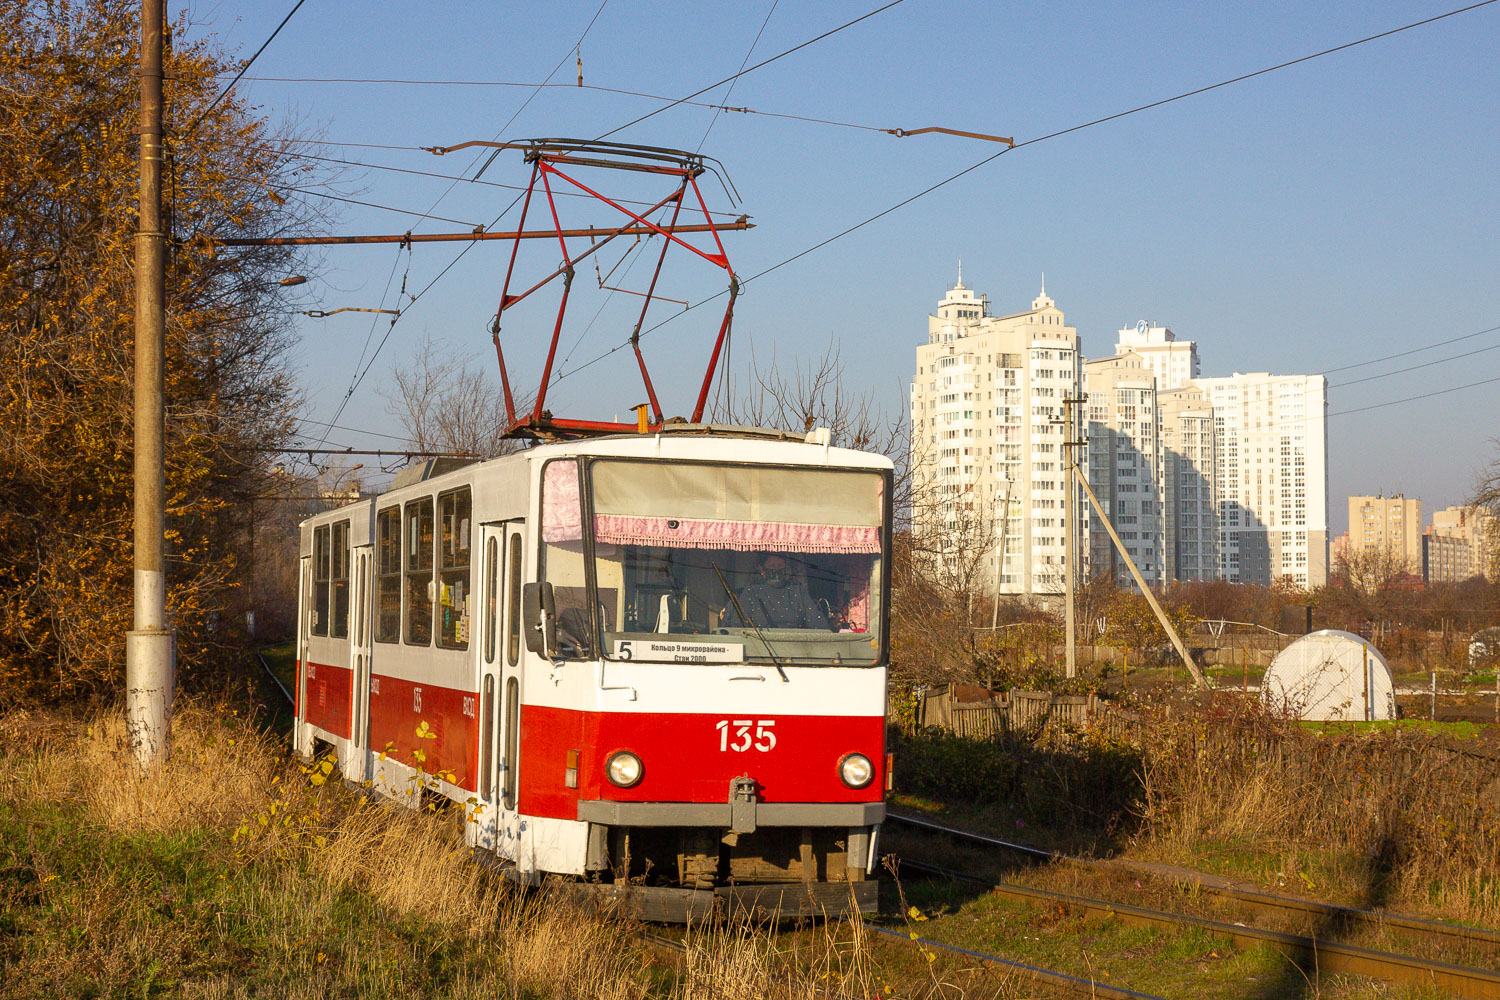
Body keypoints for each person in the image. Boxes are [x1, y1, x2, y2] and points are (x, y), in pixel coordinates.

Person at [730, 554, 829, 630]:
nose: (776, 570)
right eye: (772, 566)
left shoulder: (798, 591)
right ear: (762, 570)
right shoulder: (751, 592)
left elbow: (817, 622)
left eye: (780, 566)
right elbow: (738, 626)